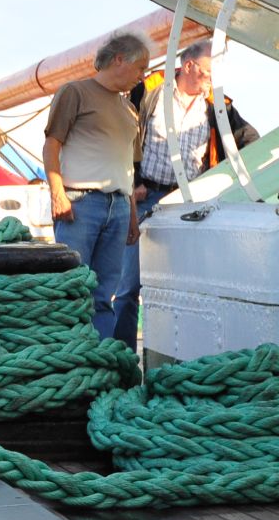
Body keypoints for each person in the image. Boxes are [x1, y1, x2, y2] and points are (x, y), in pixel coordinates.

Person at [110, 43, 259, 346]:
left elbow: (250, 139)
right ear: (189, 66)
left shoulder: (220, 105)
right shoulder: (149, 91)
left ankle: (188, 348)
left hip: (192, 202)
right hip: (147, 196)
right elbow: (123, 137)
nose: (211, 79)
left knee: (193, 283)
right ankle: (122, 357)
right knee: (128, 285)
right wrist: (133, 182)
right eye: (208, 72)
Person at [42, 34, 149, 338]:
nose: (143, 75)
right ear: (120, 59)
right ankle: (67, 362)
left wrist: (130, 214)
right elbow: (51, 146)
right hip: (79, 204)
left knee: (104, 296)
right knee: (71, 289)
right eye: (140, 67)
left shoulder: (131, 111)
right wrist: (58, 194)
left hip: (118, 207)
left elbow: (127, 168)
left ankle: (99, 366)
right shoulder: (74, 92)